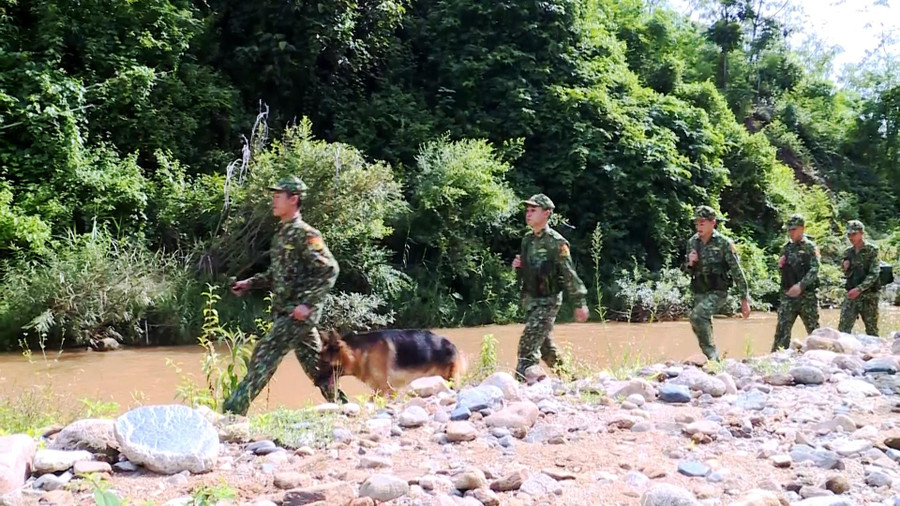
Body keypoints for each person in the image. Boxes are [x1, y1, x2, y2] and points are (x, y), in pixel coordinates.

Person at [223, 176, 348, 415]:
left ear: (294, 199)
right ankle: (344, 408)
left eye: (278, 196)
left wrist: (308, 304)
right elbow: (277, 274)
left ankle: (231, 413)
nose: (273, 200)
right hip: (288, 313)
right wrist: (249, 283)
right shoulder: (281, 234)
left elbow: (330, 268)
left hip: (297, 314)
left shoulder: (305, 233)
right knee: (317, 367)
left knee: (263, 355)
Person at [511, 193, 589, 381]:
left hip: (549, 300)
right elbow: (527, 272)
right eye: (527, 211)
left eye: (533, 210)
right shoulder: (527, 240)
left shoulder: (557, 242)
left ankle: (522, 384)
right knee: (546, 348)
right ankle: (571, 380)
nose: (528, 214)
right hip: (531, 300)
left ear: (546, 213)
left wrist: (580, 303)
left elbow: (569, 273)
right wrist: (519, 267)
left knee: (527, 345)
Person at [684, 205, 751, 361]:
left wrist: (744, 299)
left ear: (712, 223)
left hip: (718, 290)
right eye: (697, 223)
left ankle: (712, 356)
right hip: (700, 289)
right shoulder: (692, 242)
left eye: (702, 222)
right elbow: (686, 271)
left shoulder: (724, 243)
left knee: (697, 316)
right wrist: (690, 263)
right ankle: (714, 359)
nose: (699, 226)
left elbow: (737, 271)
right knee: (701, 323)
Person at [772, 214, 820, 351]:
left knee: (814, 330)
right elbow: (782, 271)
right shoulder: (786, 248)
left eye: (793, 229)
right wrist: (780, 266)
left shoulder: (810, 247)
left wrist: (801, 285)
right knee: (782, 331)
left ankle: (821, 357)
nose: (790, 233)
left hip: (807, 297)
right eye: (789, 230)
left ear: (802, 229)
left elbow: (814, 270)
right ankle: (777, 357)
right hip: (788, 296)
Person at [838, 220, 881, 336]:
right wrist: (844, 267)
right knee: (843, 330)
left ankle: (875, 353)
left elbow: (874, 273)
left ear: (862, 233)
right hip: (851, 294)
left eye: (854, 234)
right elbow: (846, 273)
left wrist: (859, 289)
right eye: (849, 234)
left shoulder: (872, 250)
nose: (851, 237)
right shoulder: (848, 252)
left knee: (871, 330)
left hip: (869, 296)